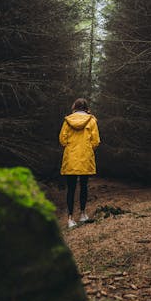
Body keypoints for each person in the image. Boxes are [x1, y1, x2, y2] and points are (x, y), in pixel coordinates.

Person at [59, 98, 100, 229]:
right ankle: (82, 214)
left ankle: (70, 219)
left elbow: (62, 140)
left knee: (70, 189)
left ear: (74, 107)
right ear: (86, 107)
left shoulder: (67, 121)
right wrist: (87, 149)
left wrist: (71, 147)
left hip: (71, 158)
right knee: (84, 186)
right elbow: (96, 141)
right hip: (85, 158)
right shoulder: (92, 121)